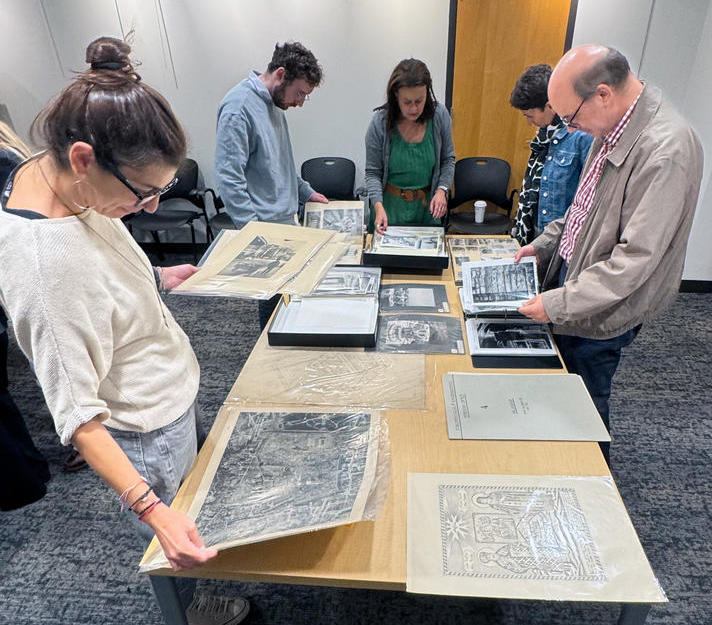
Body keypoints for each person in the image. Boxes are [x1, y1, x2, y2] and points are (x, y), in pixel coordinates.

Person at [0, 37, 248, 623]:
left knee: (199, 504)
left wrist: (158, 276)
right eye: (144, 193)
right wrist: (152, 510)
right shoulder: (42, 263)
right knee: (177, 542)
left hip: (165, 391)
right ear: (85, 158)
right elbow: (78, 417)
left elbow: (102, 270)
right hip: (142, 430)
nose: (151, 207)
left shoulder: (58, 176)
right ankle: (194, 609)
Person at [514, 45, 703, 463]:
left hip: (603, 307)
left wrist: (558, 302)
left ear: (602, 93)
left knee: (586, 402)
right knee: (563, 390)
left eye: (571, 116)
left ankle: (593, 490)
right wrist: (545, 245)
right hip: (574, 281)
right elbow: (584, 207)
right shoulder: (611, 126)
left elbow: (633, 260)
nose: (570, 127)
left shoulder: (665, 150)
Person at [215, 41, 328, 330]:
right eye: (300, 93)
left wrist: (305, 191)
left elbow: (282, 161)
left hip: (285, 223)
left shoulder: (275, 105)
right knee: (272, 313)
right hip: (265, 230)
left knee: (289, 304)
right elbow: (229, 179)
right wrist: (254, 231)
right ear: (280, 75)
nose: (300, 101)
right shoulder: (239, 108)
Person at [365, 58, 455, 234]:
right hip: (389, 211)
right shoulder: (379, 123)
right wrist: (378, 206)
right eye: (407, 102)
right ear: (396, 96)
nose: (414, 108)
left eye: (419, 101)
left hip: (426, 211)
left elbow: (448, 159)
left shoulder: (439, 116)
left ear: (427, 94)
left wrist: (442, 190)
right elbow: (372, 172)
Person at [509, 64, 593, 245]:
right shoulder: (545, 133)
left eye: (530, 116)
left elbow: (587, 199)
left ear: (550, 106)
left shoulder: (580, 137)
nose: (529, 123)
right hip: (534, 229)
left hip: (560, 237)